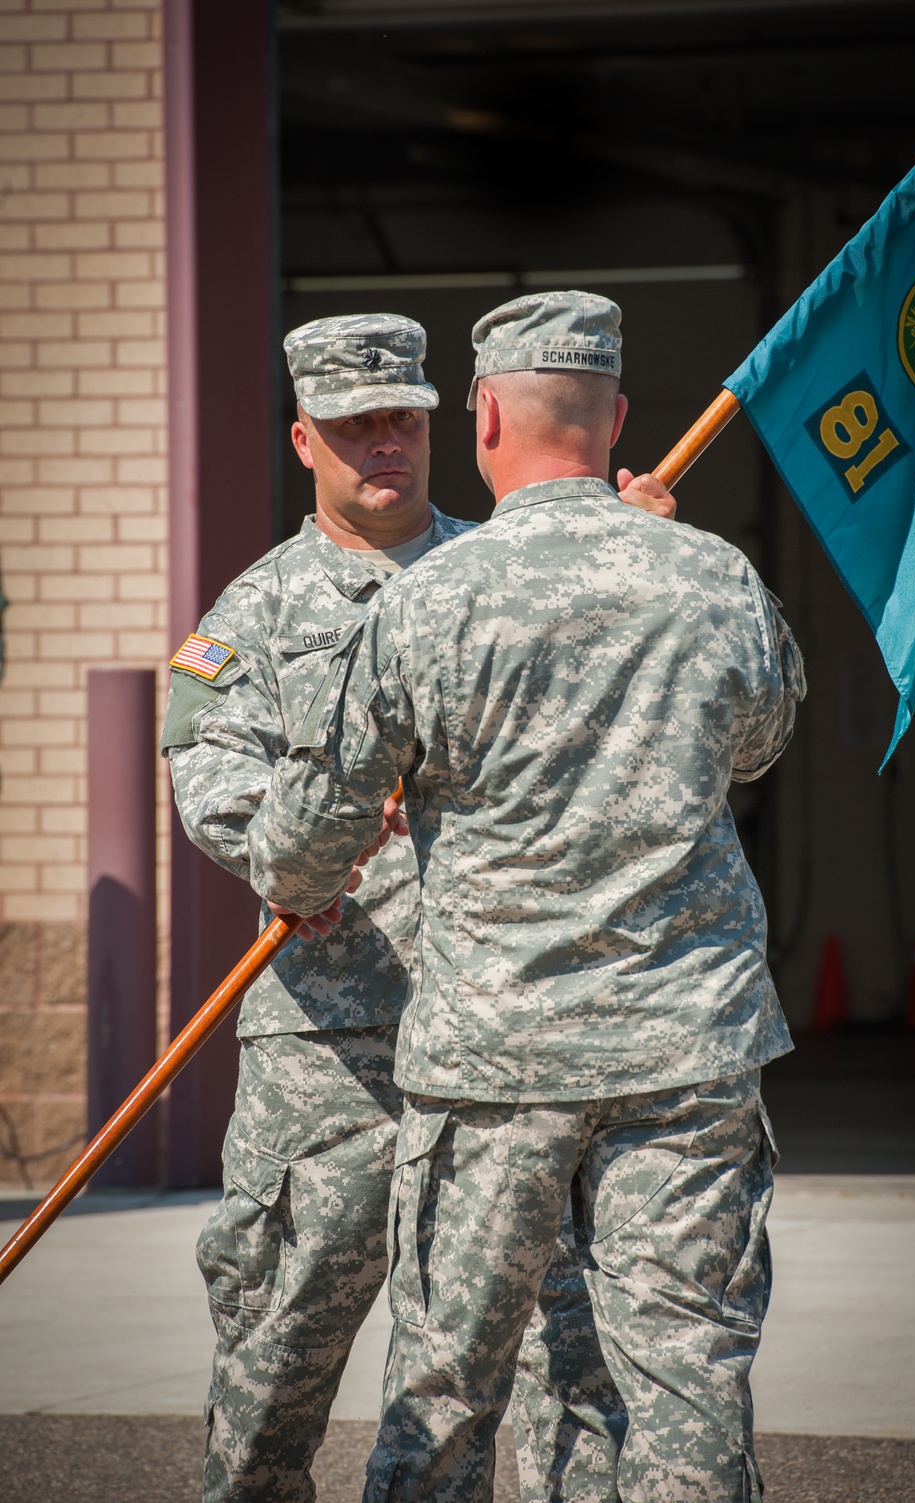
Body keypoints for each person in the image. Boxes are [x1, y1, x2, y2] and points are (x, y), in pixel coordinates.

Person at [244, 290, 807, 1503]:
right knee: (687, 1379)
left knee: (445, 1390)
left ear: (485, 413)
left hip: (496, 1064)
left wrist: (302, 875)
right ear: (613, 421)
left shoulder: (423, 602)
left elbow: (307, 843)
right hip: (687, 1050)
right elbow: (756, 742)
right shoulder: (713, 576)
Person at [161, 310, 674, 1503]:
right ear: (304, 438)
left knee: (550, 1354)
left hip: (508, 1034)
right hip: (332, 1053)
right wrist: (314, 830)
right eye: (354, 427)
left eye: (404, 419)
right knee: (280, 1351)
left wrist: (628, 553)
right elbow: (211, 781)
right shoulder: (257, 613)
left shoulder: (504, 569)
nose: (384, 444)